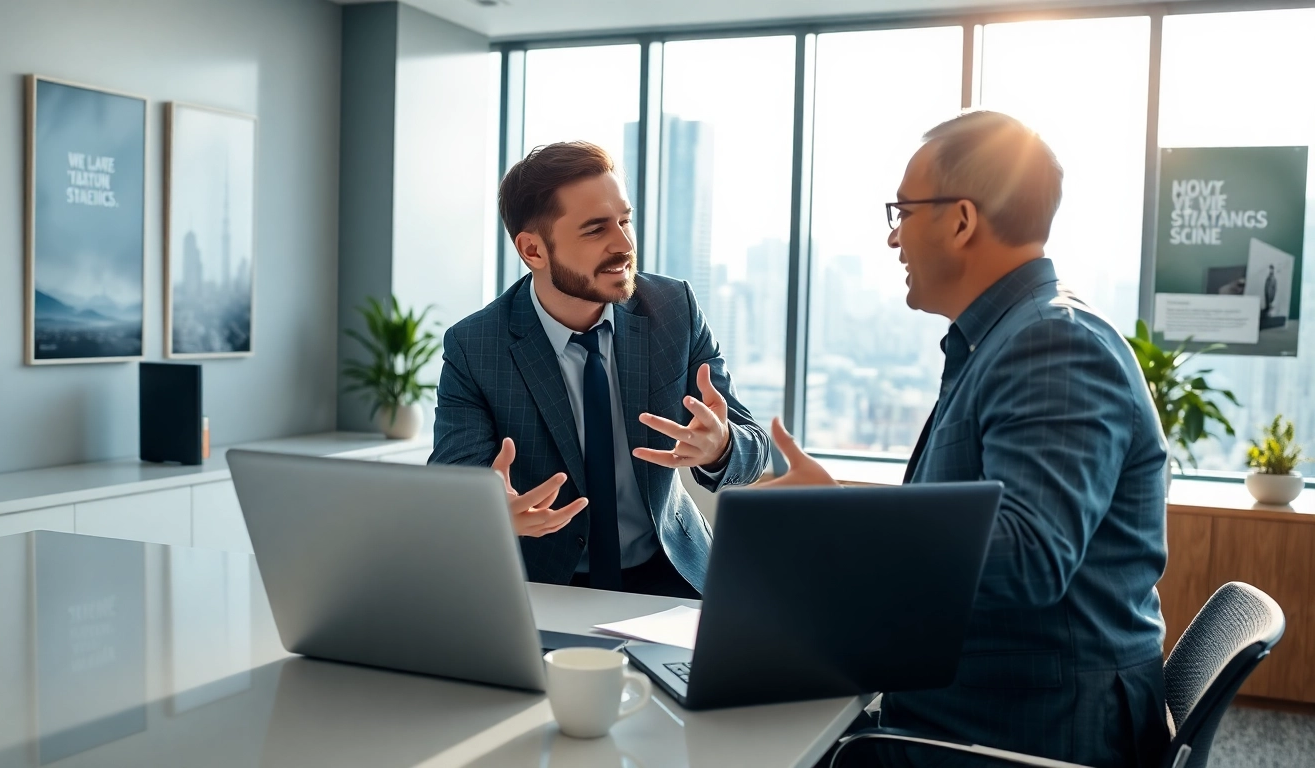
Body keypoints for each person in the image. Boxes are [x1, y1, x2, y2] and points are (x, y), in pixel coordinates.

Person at [780, 111, 1171, 767]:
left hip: (1025, 731)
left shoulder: (1052, 345)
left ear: (960, 221)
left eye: (902, 212)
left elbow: (1027, 557)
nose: (893, 238)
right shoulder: (1007, 339)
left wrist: (837, 519)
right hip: (991, 702)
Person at [428, 141, 770, 599]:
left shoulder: (674, 310)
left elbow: (755, 451)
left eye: (625, 221)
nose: (624, 245)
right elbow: (454, 485)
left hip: (674, 574)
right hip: (545, 584)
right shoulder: (476, 346)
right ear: (532, 250)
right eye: (595, 230)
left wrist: (720, 445)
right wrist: (488, 509)